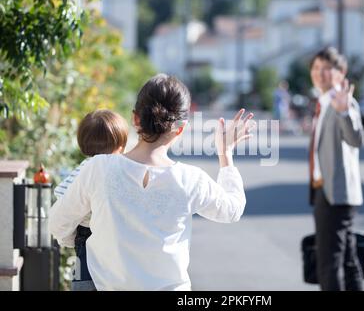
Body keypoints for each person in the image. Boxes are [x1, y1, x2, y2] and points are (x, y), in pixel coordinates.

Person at [49, 74, 255, 290]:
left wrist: (90, 244)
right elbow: (232, 209)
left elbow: (57, 224)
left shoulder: (98, 168)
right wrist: (226, 153)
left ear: (135, 119)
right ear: (181, 128)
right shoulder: (191, 179)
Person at [308, 47, 364, 291]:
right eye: (316, 68)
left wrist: (343, 112)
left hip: (336, 194)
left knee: (328, 264)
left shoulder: (343, 102)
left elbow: (356, 139)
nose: (319, 73)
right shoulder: (322, 103)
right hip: (324, 191)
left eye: (326, 68)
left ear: (341, 73)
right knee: (348, 261)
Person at [53, 109, 128, 291]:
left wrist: (70, 239)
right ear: (120, 145)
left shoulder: (82, 170)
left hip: (85, 242)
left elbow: (62, 198)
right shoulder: (124, 171)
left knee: (85, 285)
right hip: (116, 241)